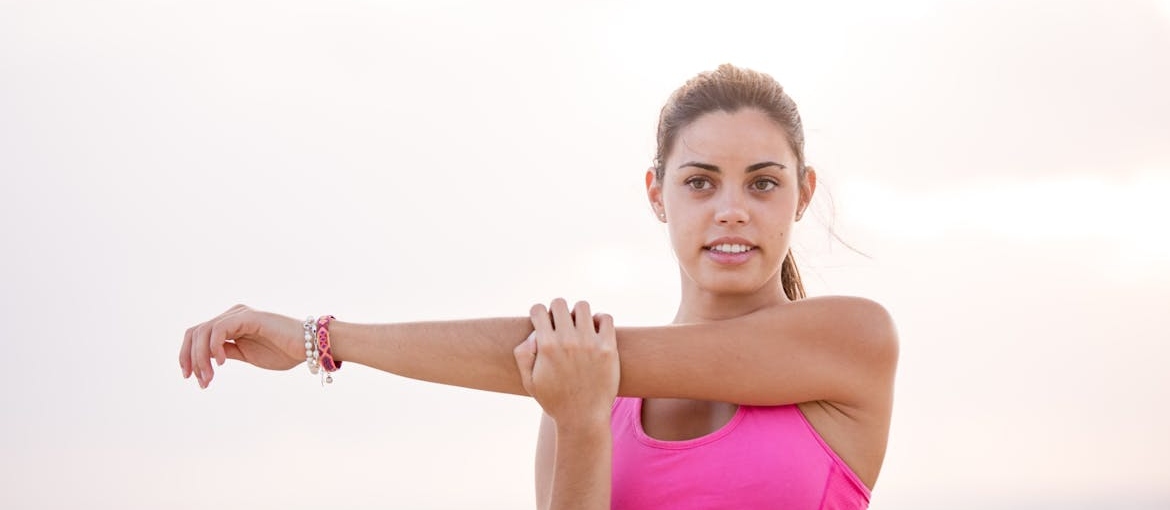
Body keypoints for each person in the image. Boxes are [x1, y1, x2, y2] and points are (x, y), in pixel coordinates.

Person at [179, 64, 899, 509]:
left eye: (763, 183)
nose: (731, 209)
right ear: (657, 193)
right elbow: (575, 368)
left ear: (803, 193)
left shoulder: (851, 343)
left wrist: (319, 339)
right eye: (700, 181)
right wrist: (582, 424)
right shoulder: (575, 382)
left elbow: (565, 356)